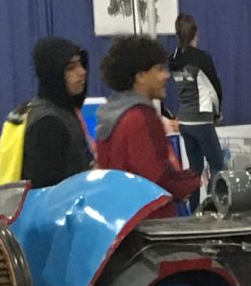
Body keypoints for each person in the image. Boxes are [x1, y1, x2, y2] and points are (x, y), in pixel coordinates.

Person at [93, 33, 203, 205]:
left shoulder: (110, 113)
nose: (166, 75)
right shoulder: (141, 116)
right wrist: (194, 181)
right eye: (159, 69)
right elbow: (155, 180)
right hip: (150, 220)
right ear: (140, 76)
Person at [20, 37, 93, 189]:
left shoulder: (62, 112)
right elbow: (48, 190)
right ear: (53, 73)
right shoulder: (48, 123)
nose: (82, 72)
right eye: (71, 68)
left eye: (81, 64)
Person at [166, 15, 226, 175]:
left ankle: (193, 201)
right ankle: (215, 200)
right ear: (195, 33)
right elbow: (215, 88)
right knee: (218, 165)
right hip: (201, 118)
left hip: (184, 120)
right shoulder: (201, 58)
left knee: (194, 170)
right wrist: (217, 113)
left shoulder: (173, 59)